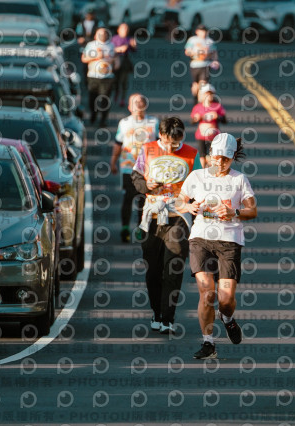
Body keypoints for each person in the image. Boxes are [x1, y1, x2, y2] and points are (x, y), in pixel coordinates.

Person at [177, 133, 257, 360]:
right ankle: (208, 342)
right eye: (217, 157)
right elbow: (179, 200)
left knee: (226, 299)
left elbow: (252, 210)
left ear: (232, 158)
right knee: (206, 293)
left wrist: (235, 212)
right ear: (211, 154)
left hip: (229, 240)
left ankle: (227, 318)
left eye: (226, 159)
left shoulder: (239, 180)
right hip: (200, 238)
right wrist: (188, 207)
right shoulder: (197, 176)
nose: (220, 163)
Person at [131, 117, 200, 334]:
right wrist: (146, 185)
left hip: (179, 216)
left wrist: (195, 204)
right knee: (153, 270)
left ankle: (168, 318)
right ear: (160, 135)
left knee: (173, 267)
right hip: (152, 216)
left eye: (176, 142)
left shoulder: (192, 154)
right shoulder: (148, 149)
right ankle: (157, 312)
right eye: (169, 142)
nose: (172, 147)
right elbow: (136, 176)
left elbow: (201, 183)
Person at [110, 93, 160, 243]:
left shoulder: (154, 122)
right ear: (129, 107)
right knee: (128, 197)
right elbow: (118, 143)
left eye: (141, 101)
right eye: (135, 102)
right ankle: (125, 228)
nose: (138, 104)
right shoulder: (124, 123)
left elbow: (160, 144)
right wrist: (113, 161)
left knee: (143, 199)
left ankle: (141, 228)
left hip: (148, 168)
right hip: (128, 167)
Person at [81, 27, 116, 127]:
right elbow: (84, 58)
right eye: (100, 34)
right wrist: (96, 56)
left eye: (104, 34)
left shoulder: (111, 45)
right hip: (93, 76)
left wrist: (111, 59)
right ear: (96, 35)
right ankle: (93, 114)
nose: (102, 35)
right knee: (93, 98)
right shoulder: (91, 45)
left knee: (105, 99)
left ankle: (103, 120)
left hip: (107, 77)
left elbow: (114, 59)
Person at [191, 83, 226, 168]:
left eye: (210, 94)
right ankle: (202, 171)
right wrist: (196, 118)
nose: (209, 96)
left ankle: (213, 172)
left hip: (214, 136)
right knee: (202, 156)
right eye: (206, 93)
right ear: (202, 95)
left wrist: (218, 117)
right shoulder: (198, 107)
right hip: (201, 136)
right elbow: (192, 121)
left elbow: (224, 120)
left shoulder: (217, 106)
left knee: (213, 156)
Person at [184, 24, 219, 105]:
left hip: (205, 65)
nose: (203, 33)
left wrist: (215, 61)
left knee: (203, 84)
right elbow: (187, 51)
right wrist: (196, 53)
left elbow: (214, 52)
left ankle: (200, 103)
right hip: (195, 65)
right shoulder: (192, 40)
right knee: (195, 85)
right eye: (201, 31)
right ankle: (195, 100)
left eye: (204, 31)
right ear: (197, 31)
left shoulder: (209, 41)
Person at [75, 8, 104, 85]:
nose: (89, 16)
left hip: (95, 45)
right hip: (84, 45)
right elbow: (78, 33)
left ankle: (94, 80)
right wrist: (80, 39)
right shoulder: (81, 23)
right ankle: (86, 81)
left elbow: (102, 31)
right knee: (84, 64)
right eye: (88, 14)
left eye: (91, 14)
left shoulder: (98, 22)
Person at [111, 23, 137, 108]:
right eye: (123, 28)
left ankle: (122, 99)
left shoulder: (129, 39)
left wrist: (134, 46)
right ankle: (116, 93)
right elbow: (110, 49)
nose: (125, 30)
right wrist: (119, 49)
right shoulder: (114, 39)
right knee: (115, 80)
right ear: (118, 30)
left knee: (124, 81)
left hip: (125, 61)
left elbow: (133, 50)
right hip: (115, 60)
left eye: (126, 28)